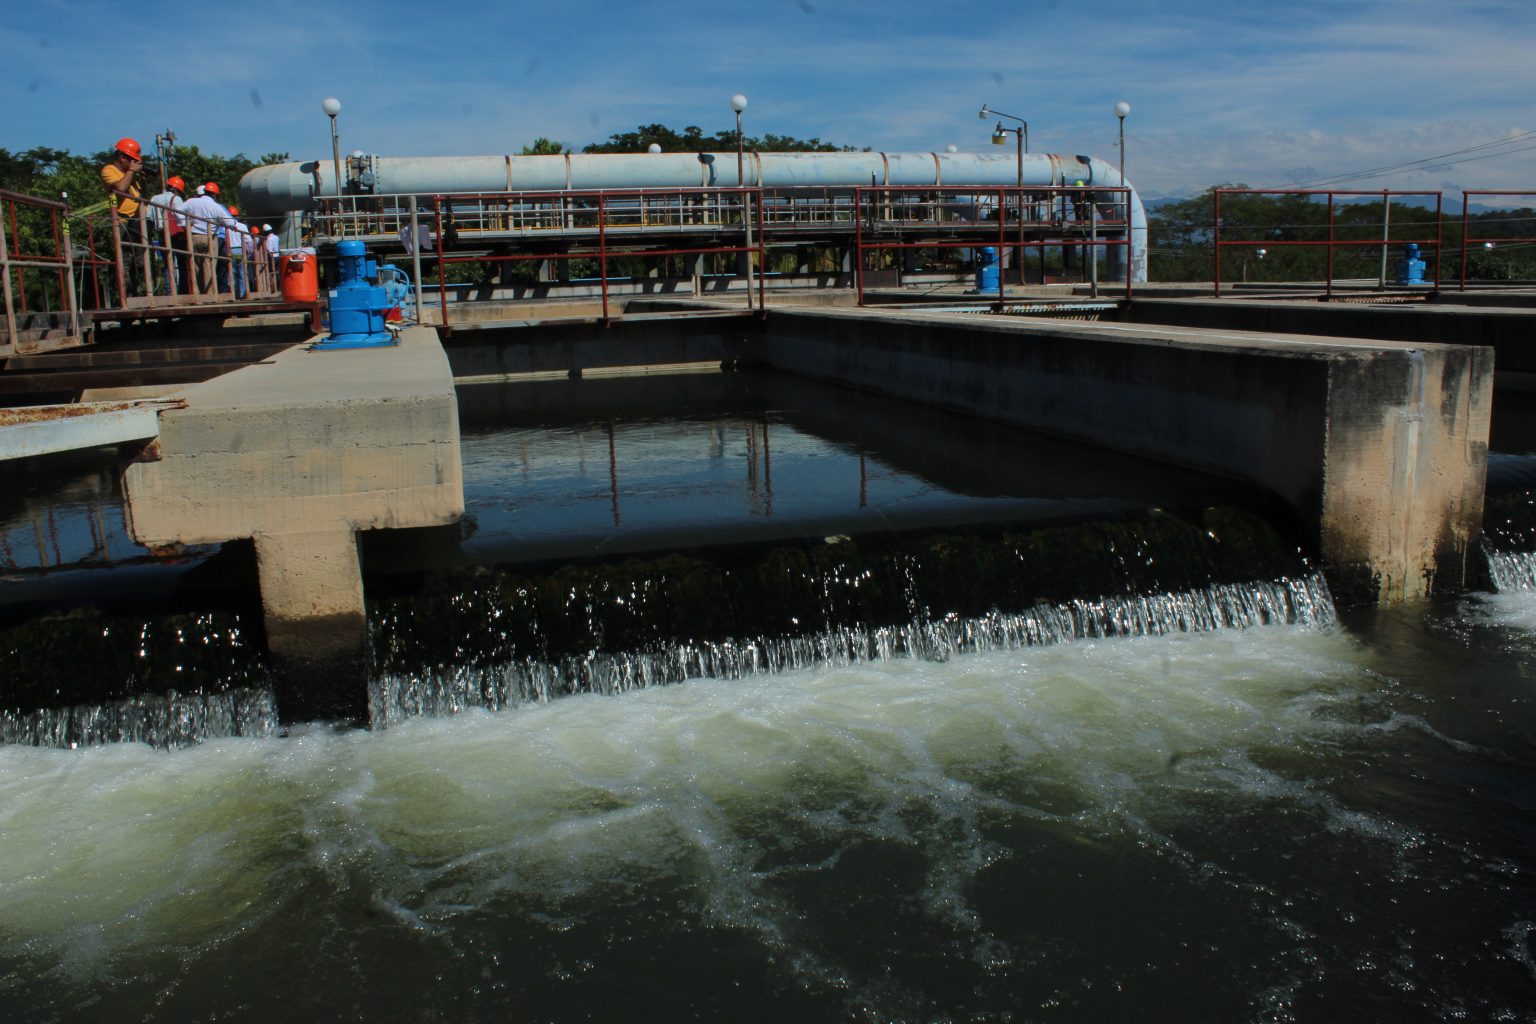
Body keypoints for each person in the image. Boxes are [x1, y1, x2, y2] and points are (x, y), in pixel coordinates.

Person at [99, 137, 145, 296]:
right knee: (125, 260)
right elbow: (119, 189)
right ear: (121, 157)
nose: (134, 163)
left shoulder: (131, 177)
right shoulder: (109, 170)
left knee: (139, 262)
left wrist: (141, 179)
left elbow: (140, 198)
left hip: (136, 223)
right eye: (132, 159)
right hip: (122, 221)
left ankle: (137, 293)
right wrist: (131, 172)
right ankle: (125, 297)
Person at [180, 182, 237, 295]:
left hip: (193, 237)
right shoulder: (216, 206)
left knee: (194, 266)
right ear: (215, 195)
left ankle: (196, 294)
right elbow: (230, 223)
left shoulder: (192, 201)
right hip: (210, 238)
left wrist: (185, 225)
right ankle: (209, 294)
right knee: (209, 266)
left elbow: (177, 211)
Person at [146, 175, 187, 295]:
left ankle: (169, 291)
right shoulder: (177, 199)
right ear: (176, 190)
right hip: (176, 235)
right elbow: (182, 218)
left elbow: (149, 217)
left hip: (161, 234)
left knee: (168, 263)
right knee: (182, 263)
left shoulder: (154, 198)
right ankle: (183, 290)